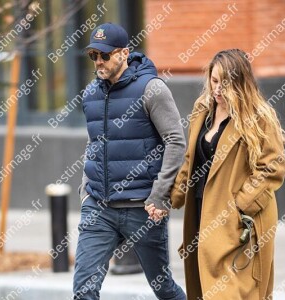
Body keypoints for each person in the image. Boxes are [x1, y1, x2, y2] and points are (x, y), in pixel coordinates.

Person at [162, 49, 285, 299]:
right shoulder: (203, 110)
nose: (218, 89)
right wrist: (173, 196)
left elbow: (272, 167)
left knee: (235, 290)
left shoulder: (259, 116)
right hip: (202, 211)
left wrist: (240, 205)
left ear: (241, 82)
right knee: (206, 284)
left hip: (240, 219)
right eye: (214, 81)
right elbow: (191, 159)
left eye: (226, 83)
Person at [73, 22, 186, 300]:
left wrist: (159, 196)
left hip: (142, 208)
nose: (98, 61)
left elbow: (176, 141)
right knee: (83, 290)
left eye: (105, 55)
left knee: (163, 288)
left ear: (124, 53)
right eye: (93, 56)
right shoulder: (91, 93)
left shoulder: (152, 89)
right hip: (99, 207)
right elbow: (95, 142)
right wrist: (86, 191)